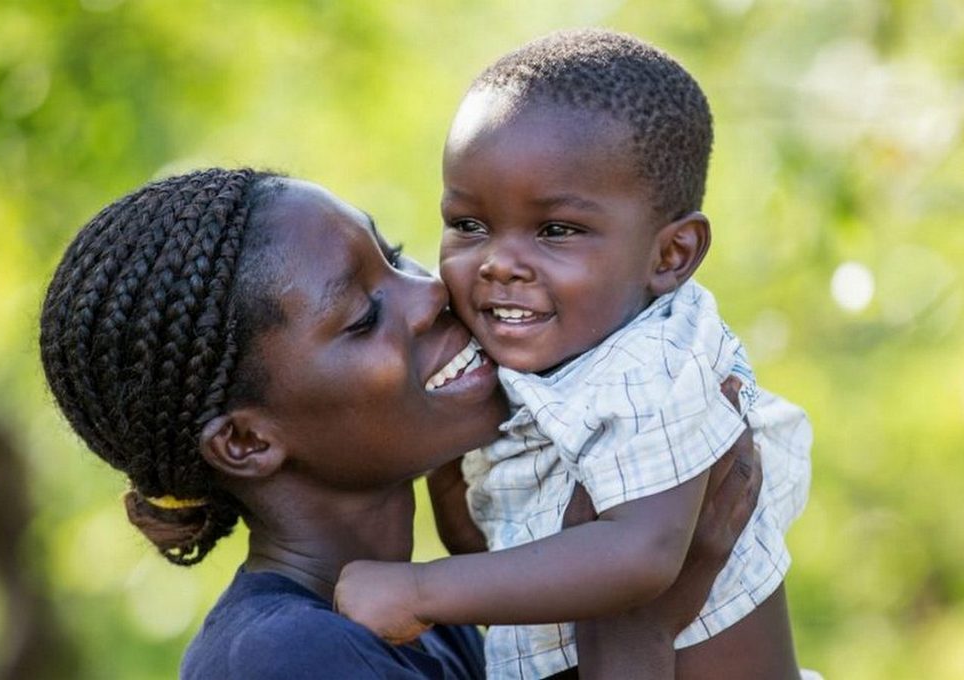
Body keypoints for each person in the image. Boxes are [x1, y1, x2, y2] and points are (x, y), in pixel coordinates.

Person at [40, 168, 762, 679]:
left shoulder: (426, 617)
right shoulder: (283, 661)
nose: (431, 293)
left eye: (392, 255)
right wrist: (638, 619)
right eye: (363, 316)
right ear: (248, 441)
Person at [334, 29, 813, 680]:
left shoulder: (656, 362)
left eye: (557, 231)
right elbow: (507, 550)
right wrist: (447, 469)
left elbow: (641, 555)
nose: (500, 263)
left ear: (670, 255)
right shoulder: (539, 354)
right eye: (469, 224)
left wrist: (421, 590)